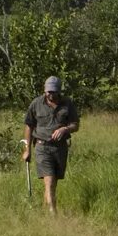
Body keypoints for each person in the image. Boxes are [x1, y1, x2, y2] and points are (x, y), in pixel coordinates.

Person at [23, 75, 81, 214]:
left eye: (53, 91)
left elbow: (76, 124)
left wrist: (65, 129)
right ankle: (53, 215)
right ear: (44, 90)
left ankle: (44, 212)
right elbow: (29, 126)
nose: (50, 94)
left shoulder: (67, 103)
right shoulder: (36, 104)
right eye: (48, 91)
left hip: (60, 148)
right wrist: (27, 150)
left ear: (59, 91)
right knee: (48, 182)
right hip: (42, 147)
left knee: (53, 184)